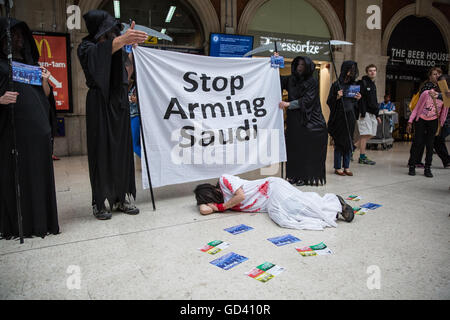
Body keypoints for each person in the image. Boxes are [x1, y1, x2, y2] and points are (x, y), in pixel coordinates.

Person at [77, 10, 148, 220]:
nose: (112, 33)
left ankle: (122, 196)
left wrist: (131, 51)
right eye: (107, 29)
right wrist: (122, 41)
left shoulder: (117, 47)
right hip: (99, 103)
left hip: (119, 102)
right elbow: (99, 55)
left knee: (122, 151)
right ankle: (101, 201)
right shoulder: (86, 47)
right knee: (102, 151)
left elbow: (126, 74)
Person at [0, 18, 59, 239]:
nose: (17, 39)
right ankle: (19, 224)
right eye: (12, 35)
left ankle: (41, 221)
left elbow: (44, 96)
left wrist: (44, 80)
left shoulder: (30, 65)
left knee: (37, 176)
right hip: (15, 135)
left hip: (38, 134)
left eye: (19, 35)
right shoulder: (1, 65)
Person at [194, 174, 354, 231]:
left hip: (271, 188)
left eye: (210, 200)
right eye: (209, 203)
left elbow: (241, 196)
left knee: (292, 210)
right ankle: (335, 209)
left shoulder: (224, 180)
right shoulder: (222, 202)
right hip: (268, 203)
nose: (211, 204)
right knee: (288, 216)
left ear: (213, 192)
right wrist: (206, 204)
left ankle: (335, 204)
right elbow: (203, 210)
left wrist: (220, 207)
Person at [278, 56, 328, 186]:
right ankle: (293, 175)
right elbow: (276, 80)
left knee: (305, 151)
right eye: (298, 64)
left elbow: (307, 100)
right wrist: (275, 64)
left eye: (303, 65)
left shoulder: (312, 81)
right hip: (294, 122)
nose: (300, 67)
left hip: (309, 122)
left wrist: (288, 104)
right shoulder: (291, 79)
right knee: (293, 149)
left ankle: (304, 177)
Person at [407, 74, 449, 178]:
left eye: (445, 83)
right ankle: (412, 165)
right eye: (441, 82)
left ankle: (427, 167)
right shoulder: (426, 93)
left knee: (430, 145)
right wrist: (410, 121)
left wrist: (441, 125)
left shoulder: (446, 96)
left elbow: (444, 112)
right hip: (421, 119)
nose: (442, 85)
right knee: (417, 143)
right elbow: (417, 108)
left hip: (434, 121)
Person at [327, 61, 362, 177]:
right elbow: (329, 102)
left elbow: (355, 105)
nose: (351, 72)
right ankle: (338, 167)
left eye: (353, 70)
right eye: (350, 69)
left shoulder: (354, 85)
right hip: (339, 118)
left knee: (348, 142)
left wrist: (358, 99)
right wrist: (337, 96)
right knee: (339, 143)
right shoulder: (336, 84)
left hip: (350, 117)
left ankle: (346, 166)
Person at [412, 67, 443, 168]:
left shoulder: (439, 88)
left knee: (427, 141)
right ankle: (415, 161)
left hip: (432, 118)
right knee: (419, 141)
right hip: (422, 116)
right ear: (430, 76)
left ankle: (417, 161)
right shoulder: (427, 87)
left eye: (438, 74)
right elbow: (421, 104)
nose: (437, 76)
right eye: (434, 74)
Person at [355, 64, 381, 165]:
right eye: (370, 71)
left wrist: (377, 115)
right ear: (367, 72)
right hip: (364, 113)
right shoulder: (363, 83)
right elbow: (358, 98)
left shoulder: (372, 84)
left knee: (371, 134)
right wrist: (362, 111)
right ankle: (362, 157)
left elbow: (373, 101)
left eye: (374, 70)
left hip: (372, 114)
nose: (372, 72)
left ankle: (352, 148)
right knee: (365, 134)